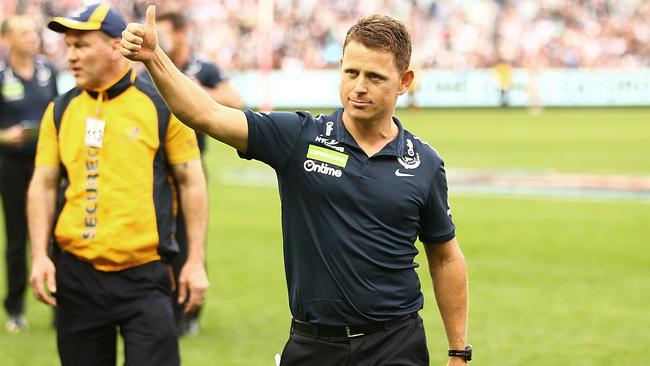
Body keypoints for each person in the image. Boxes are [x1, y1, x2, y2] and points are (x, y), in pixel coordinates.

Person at [123, 6, 470, 365]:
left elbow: (445, 257)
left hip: (397, 343)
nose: (359, 87)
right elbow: (205, 114)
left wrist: (459, 351)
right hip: (314, 344)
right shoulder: (299, 137)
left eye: (375, 77)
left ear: (404, 81)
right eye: (351, 72)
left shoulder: (423, 162)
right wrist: (154, 58)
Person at [27, 4, 208, 366]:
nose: (71, 56)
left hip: (146, 275)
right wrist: (39, 256)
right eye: (68, 47)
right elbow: (43, 184)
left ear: (114, 46)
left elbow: (192, 182)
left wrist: (195, 262)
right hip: (77, 275)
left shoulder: (161, 105)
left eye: (81, 45)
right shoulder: (60, 110)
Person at [142, 10, 243, 336]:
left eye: (167, 33)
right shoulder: (152, 65)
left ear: (183, 34)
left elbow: (234, 100)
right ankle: (157, 308)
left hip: (190, 166)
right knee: (155, 241)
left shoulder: (202, 68)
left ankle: (190, 313)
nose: (161, 38)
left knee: (189, 241)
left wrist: (194, 94)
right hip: (155, 167)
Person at [0, 14, 58, 333]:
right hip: (11, 165)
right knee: (17, 237)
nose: (31, 38)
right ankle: (15, 308)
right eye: (23, 33)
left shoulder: (47, 72)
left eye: (33, 33)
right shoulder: (1, 75)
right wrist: (4, 136)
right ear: (7, 40)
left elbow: (57, 111)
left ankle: (60, 303)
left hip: (47, 163)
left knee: (56, 234)